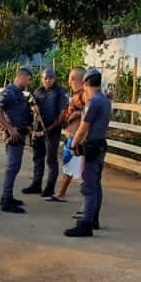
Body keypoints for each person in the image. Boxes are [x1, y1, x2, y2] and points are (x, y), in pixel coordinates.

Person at [65, 68, 111, 237]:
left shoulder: (93, 103)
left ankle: (86, 223)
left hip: (90, 146)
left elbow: (84, 127)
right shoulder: (105, 101)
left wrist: (73, 144)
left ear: (85, 83)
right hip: (100, 145)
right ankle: (94, 219)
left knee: (88, 186)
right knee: (96, 184)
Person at [0, 67, 34, 213]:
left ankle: (7, 197)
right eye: (29, 79)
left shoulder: (19, 93)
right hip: (13, 135)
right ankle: (6, 200)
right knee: (12, 167)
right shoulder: (9, 92)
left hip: (19, 134)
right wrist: (9, 128)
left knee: (15, 167)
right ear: (22, 76)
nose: (29, 82)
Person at [25, 68, 69, 199]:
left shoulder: (60, 92)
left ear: (54, 79)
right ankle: (36, 184)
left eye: (50, 78)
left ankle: (49, 188)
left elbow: (62, 114)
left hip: (52, 130)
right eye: (45, 78)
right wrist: (32, 108)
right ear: (41, 79)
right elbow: (28, 108)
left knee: (51, 159)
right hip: (37, 130)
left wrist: (49, 129)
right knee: (38, 159)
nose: (48, 80)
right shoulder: (37, 92)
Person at [52, 67, 89, 202]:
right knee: (69, 167)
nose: (68, 81)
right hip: (71, 136)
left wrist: (76, 114)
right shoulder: (76, 95)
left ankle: (88, 201)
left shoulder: (85, 94)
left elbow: (89, 111)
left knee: (82, 171)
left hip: (78, 138)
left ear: (73, 78)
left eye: (69, 77)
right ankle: (61, 193)